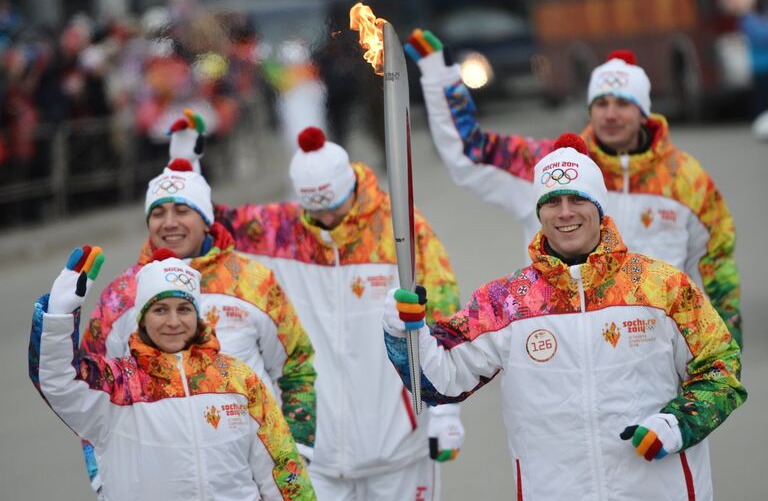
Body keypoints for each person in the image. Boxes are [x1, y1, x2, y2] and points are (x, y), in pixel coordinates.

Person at [383, 133, 747, 500]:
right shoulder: (506, 302)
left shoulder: (661, 287)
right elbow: (436, 382)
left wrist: (678, 424)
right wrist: (403, 332)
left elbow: (723, 369)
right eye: (552, 202)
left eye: (578, 199)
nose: (565, 212)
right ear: (539, 213)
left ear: (599, 207)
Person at [405, 30, 743, 347]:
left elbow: (715, 265)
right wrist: (439, 77)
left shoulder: (684, 179)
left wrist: (723, 348)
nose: (610, 115)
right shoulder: (556, 168)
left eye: (622, 104)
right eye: (601, 104)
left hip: (655, 353)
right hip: (562, 350)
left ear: (643, 112)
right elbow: (471, 151)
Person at [215, 126, 463, 500]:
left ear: (351, 187)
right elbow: (205, 222)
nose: (328, 218)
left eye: (334, 206)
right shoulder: (281, 231)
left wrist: (446, 412)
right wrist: (183, 164)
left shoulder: (399, 228)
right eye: (316, 210)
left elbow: (444, 312)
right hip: (320, 455)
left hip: (399, 446)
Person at [78, 111, 317, 496]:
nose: (168, 223)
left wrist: (296, 449)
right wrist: (100, 474)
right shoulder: (120, 296)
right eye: (158, 212)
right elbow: (88, 392)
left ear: (206, 219)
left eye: (182, 210)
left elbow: (296, 367)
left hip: (244, 475)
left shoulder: (253, 281)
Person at [29, 246, 315, 500]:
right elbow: (58, 380)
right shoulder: (116, 387)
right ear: (141, 317)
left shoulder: (239, 380)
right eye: (161, 310)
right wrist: (59, 316)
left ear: (197, 314)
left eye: (184, 309)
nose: (174, 321)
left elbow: (281, 472)